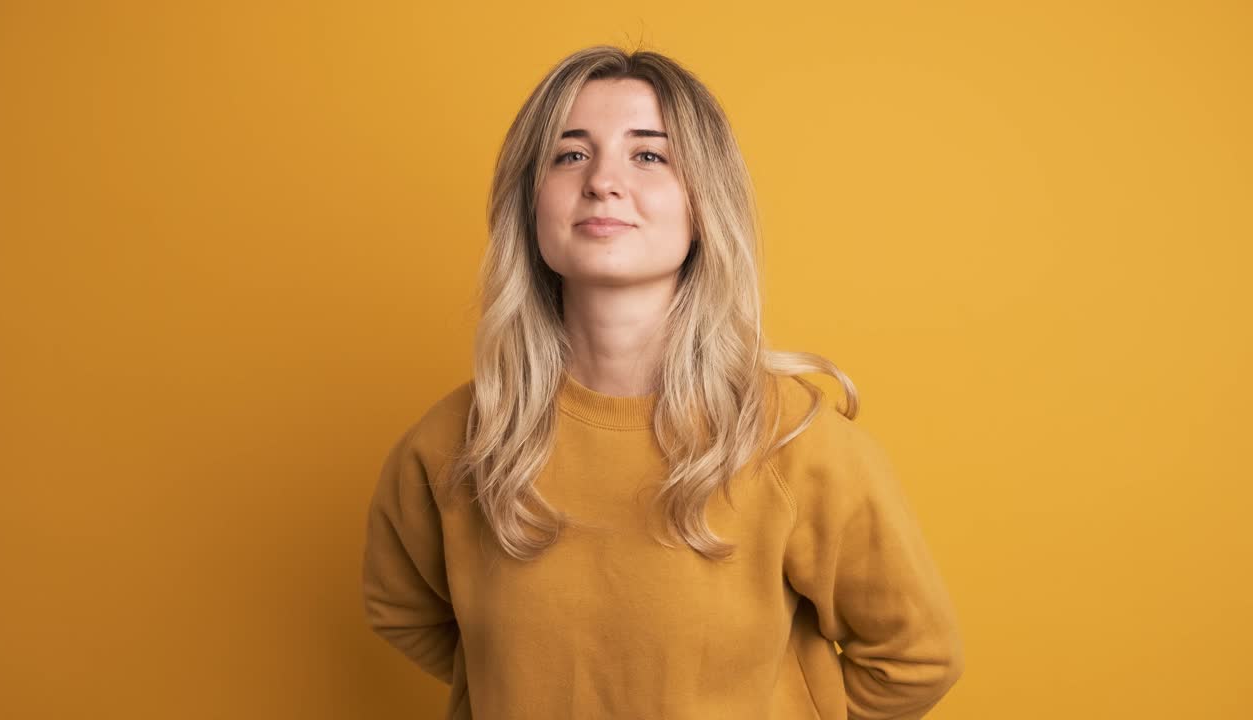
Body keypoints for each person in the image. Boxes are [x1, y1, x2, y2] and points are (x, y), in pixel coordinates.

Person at [362, 44, 965, 720]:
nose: (603, 181)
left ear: (704, 203)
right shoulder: (452, 445)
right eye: (569, 154)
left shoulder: (794, 442)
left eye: (649, 155)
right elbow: (402, 611)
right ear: (529, 203)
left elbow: (917, 657)